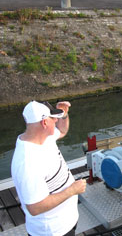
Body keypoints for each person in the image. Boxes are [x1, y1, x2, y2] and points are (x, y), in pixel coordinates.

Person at [11, 100, 87, 236]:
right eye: (54, 119)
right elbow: (35, 207)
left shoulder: (44, 137)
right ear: (44, 123)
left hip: (67, 222)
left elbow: (62, 131)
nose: (57, 121)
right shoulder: (27, 162)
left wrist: (63, 115)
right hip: (53, 231)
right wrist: (72, 190)